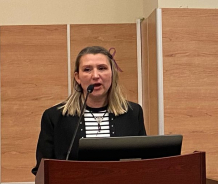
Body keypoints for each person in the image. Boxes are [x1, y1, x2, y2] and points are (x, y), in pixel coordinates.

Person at [32, 46, 145, 175]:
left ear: (112, 73)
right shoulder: (55, 117)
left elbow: (143, 162)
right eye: (87, 69)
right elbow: (43, 170)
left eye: (102, 68)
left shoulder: (132, 113)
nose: (95, 76)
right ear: (77, 77)